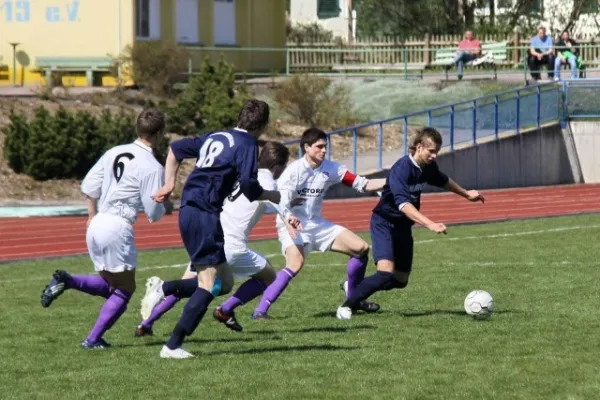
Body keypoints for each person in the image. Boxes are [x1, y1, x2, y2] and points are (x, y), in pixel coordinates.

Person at [142, 99, 292, 359]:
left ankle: (164, 289)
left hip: (192, 209)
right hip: (204, 212)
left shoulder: (217, 135)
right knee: (208, 283)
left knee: (224, 284)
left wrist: (169, 184)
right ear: (263, 124)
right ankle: (172, 346)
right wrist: (271, 195)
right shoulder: (248, 144)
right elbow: (249, 188)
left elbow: (175, 149)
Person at [135, 141, 302, 336]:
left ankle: (146, 323)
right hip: (232, 246)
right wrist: (289, 216)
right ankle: (224, 309)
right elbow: (277, 201)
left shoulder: (242, 176)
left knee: (189, 282)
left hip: (210, 236)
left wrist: (288, 207)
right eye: (284, 166)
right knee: (268, 276)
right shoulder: (267, 181)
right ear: (277, 166)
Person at [39, 108, 168, 348]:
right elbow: (153, 211)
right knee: (126, 289)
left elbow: (89, 185)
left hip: (97, 223)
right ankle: (92, 339)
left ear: (137, 129)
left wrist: (91, 215)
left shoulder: (114, 152)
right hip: (117, 226)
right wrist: (164, 206)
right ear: (160, 132)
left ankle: (66, 281)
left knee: (113, 286)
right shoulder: (152, 165)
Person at [335, 127, 485, 320]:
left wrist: (466, 194)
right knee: (385, 272)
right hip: (384, 223)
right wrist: (430, 224)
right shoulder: (401, 169)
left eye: (437, 152)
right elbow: (403, 205)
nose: (434, 156)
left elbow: (443, 180)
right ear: (419, 147)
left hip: (403, 227)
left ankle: (354, 289)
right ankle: (346, 307)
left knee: (400, 280)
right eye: (431, 151)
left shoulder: (428, 167)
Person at [249, 127, 387, 320]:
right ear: (306, 147)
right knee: (295, 264)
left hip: (318, 225)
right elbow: (280, 202)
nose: (323, 150)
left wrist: (391, 180)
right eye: (319, 147)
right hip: (292, 224)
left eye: (325, 147)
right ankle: (260, 311)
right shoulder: (293, 171)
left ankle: (353, 298)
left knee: (361, 248)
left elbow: (362, 184)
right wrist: (288, 222)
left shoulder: (332, 168)